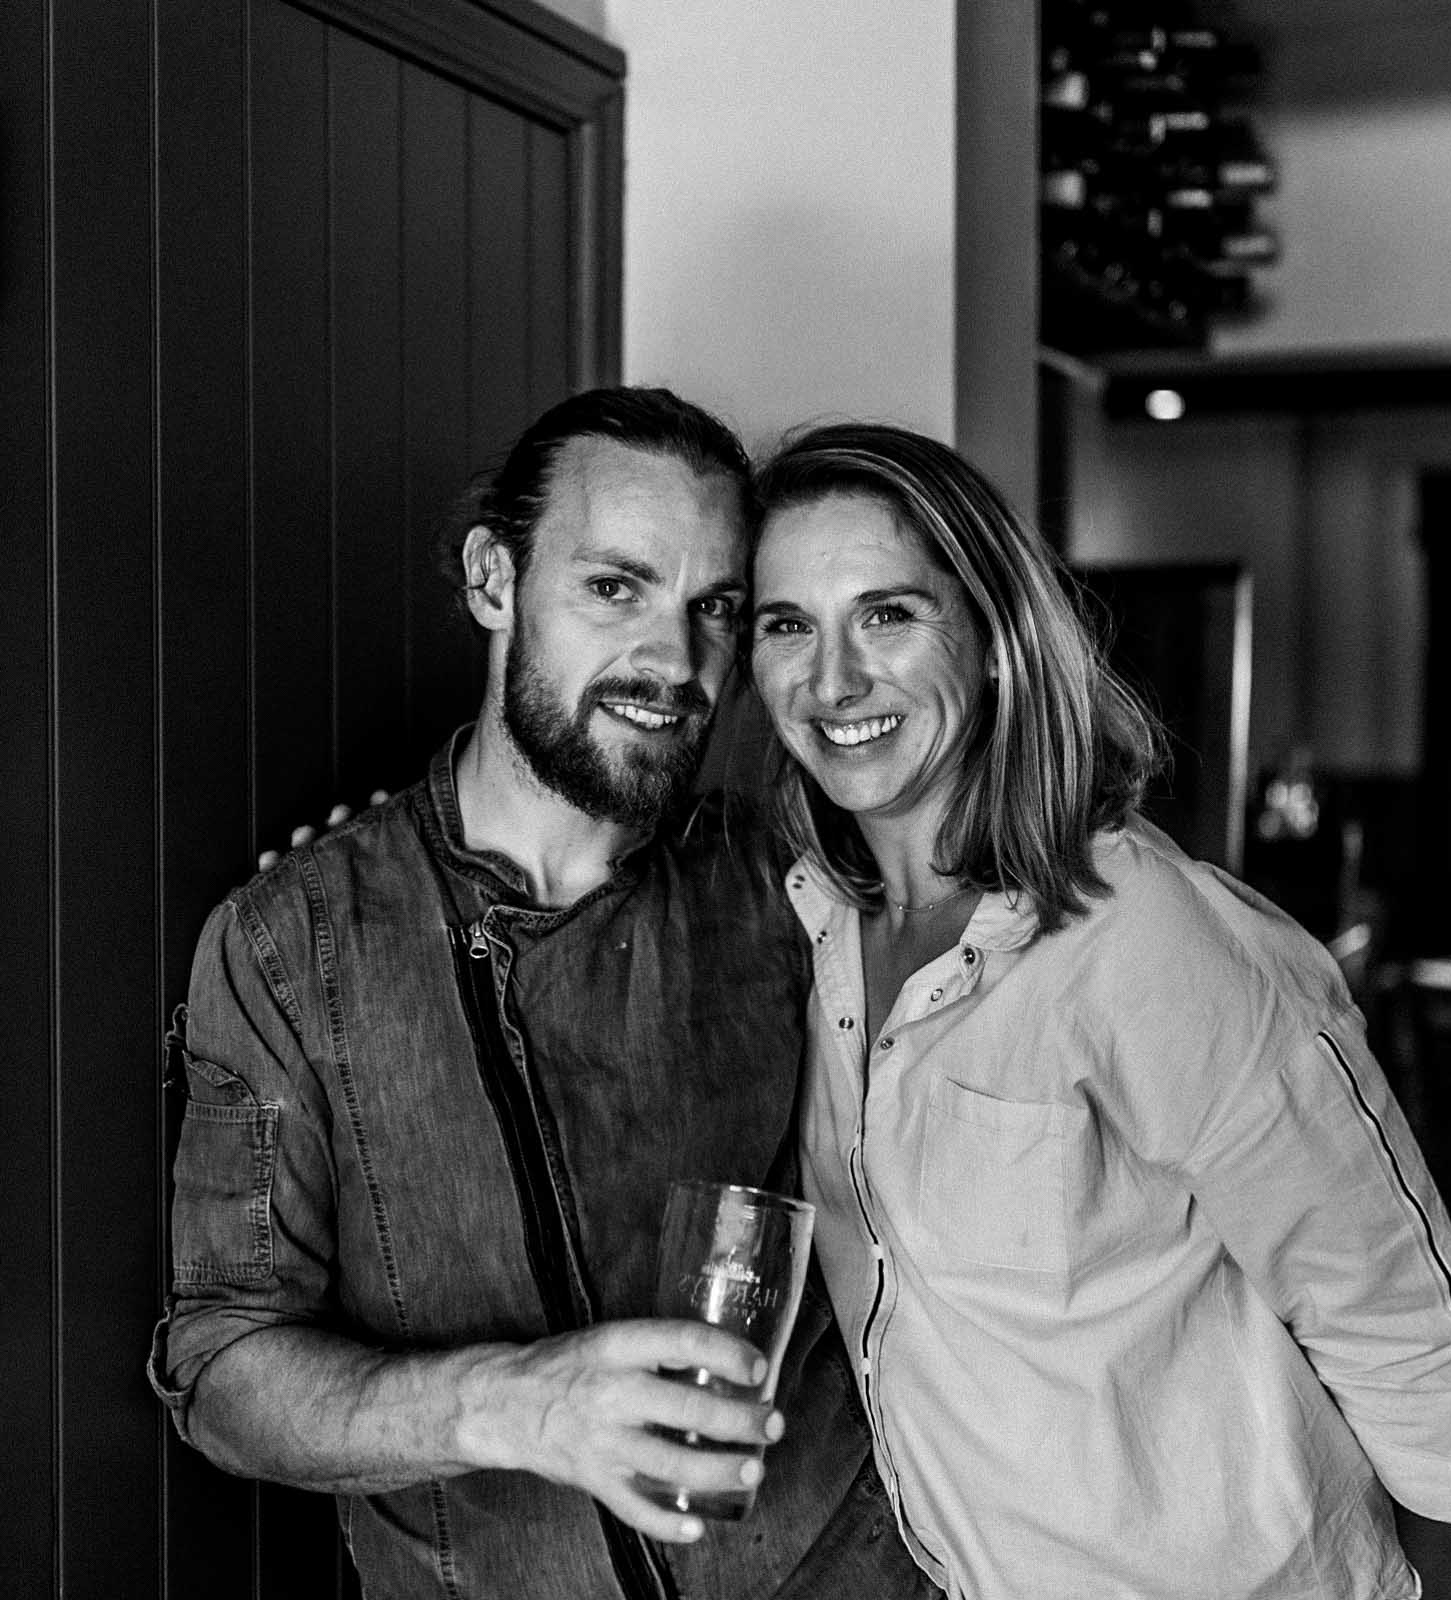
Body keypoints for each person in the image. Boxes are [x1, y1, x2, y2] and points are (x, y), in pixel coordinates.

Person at [148, 387, 937, 1600]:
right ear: (493, 580)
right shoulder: (289, 942)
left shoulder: (794, 880)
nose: (673, 662)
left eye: (714, 608)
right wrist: (515, 1403)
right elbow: (220, 1366)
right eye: (614, 587)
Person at [746, 422, 1451, 1600]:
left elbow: (1385, 1296)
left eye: (886, 614)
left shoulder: (1136, 926)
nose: (832, 679)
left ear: (994, 641)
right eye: (786, 623)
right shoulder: (814, 930)